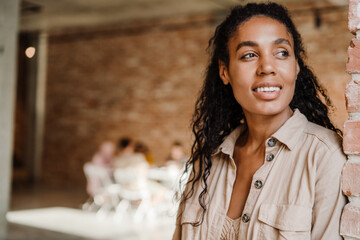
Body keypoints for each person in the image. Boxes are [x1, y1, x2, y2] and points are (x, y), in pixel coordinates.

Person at [173, 3, 346, 240]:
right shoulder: (207, 162)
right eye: (249, 55)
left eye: (282, 52)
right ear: (225, 71)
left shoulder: (324, 156)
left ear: (296, 65)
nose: (267, 67)